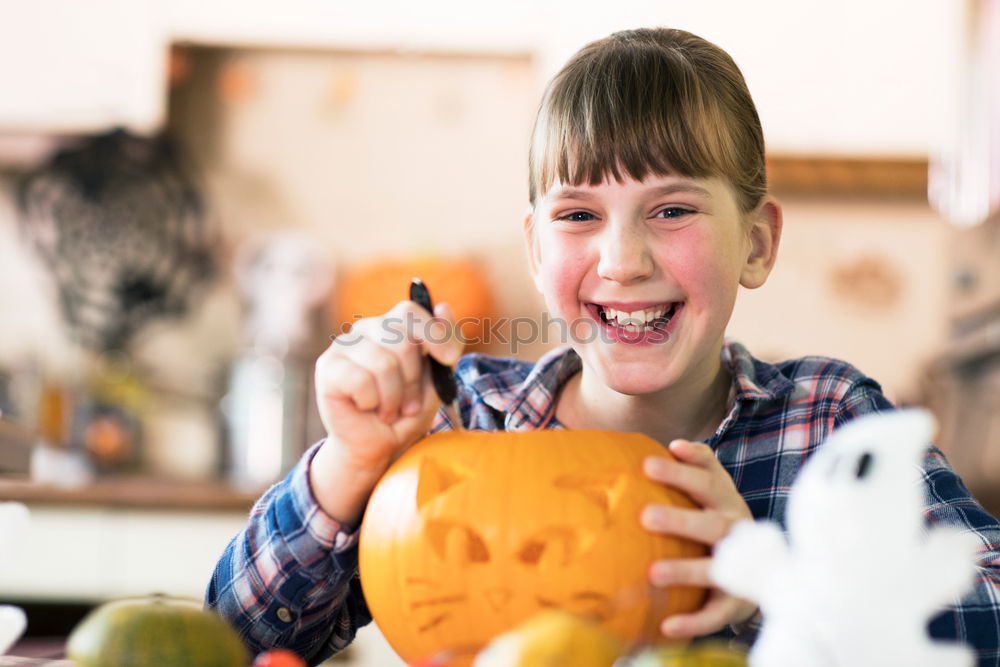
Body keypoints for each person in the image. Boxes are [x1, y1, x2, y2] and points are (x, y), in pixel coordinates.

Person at [206, 27, 1000, 665]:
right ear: (533, 249)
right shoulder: (464, 422)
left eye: (671, 210)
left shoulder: (827, 422)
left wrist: (778, 582)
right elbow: (230, 640)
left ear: (756, 242)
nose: (622, 260)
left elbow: (988, 605)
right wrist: (349, 467)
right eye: (579, 215)